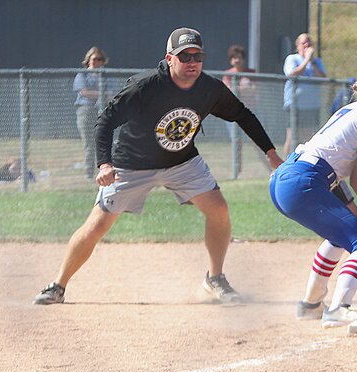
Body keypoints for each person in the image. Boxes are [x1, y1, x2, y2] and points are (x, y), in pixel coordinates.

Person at [32, 27, 283, 305]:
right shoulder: (145, 86)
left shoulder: (209, 89)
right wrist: (104, 163)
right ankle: (58, 285)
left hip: (181, 161)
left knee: (219, 209)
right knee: (97, 225)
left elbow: (242, 115)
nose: (192, 62)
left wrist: (271, 153)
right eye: (184, 56)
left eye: (197, 56)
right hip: (132, 164)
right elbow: (105, 121)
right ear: (170, 58)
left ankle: (215, 278)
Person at [270, 59, 357, 328]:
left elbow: (331, 172)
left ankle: (310, 304)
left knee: (340, 235)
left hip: (287, 179)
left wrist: (356, 212)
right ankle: (339, 308)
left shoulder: (355, 108)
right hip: (305, 182)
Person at [222, 44, 270, 173]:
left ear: (243, 59)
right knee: (237, 144)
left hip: (252, 112)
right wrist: (242, 90)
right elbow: (228, 93)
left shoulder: (251, 73)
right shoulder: (227, 74)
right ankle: (237, 172)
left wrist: (238, 89)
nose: (237, 60)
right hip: (233, 115)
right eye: (234, 58)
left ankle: (271, 169)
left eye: (239, 57)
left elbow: (254, 90)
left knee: (258, 142)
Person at [282, 33, 327, 157]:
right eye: (303, 43)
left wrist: (312, 62)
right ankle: (284, 166)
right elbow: (292, 74)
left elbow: (323, 78)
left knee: (308, 139)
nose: (307, 45)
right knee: (291, 138)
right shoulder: (292, 59)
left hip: (311, 105)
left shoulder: (317, 62)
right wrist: (306, 59)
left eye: (309, 43)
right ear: (297, 46)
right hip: (294, 105)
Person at [73, 47, 109, 179]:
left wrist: (103, 96)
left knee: (104, 142)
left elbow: (113, 93)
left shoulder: (106, 76)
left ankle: (106, 172)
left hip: (104, 111)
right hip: (86, 111)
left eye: (100, 59)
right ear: (88, 60)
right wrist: (102, 94)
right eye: (95, 59)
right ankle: (89, 174)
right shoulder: (82, 75)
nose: (97, 62)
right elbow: (85, 92)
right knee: (89, 143)